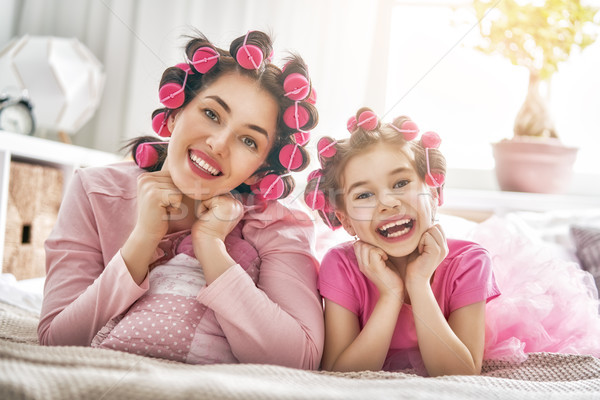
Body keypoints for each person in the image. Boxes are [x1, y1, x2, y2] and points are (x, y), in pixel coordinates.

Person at [38, 30, 324, 370]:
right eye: (212, 114)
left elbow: (300, 359)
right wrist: (142, 240)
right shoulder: (94, 190)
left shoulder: (278, 224)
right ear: (174, 115)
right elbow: (55, 340)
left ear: (258, 170)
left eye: (248, 140)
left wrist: (211, 247)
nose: (218, 143)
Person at [304, 107, 500, 376]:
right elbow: (340, 374)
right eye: (364, 196)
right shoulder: (341, 265)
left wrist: (418, 283)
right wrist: (391, 294)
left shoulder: (469, 262)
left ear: (432, 194)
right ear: (346, 220)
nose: (387, 203)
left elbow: (461, 376)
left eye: (400, 183)